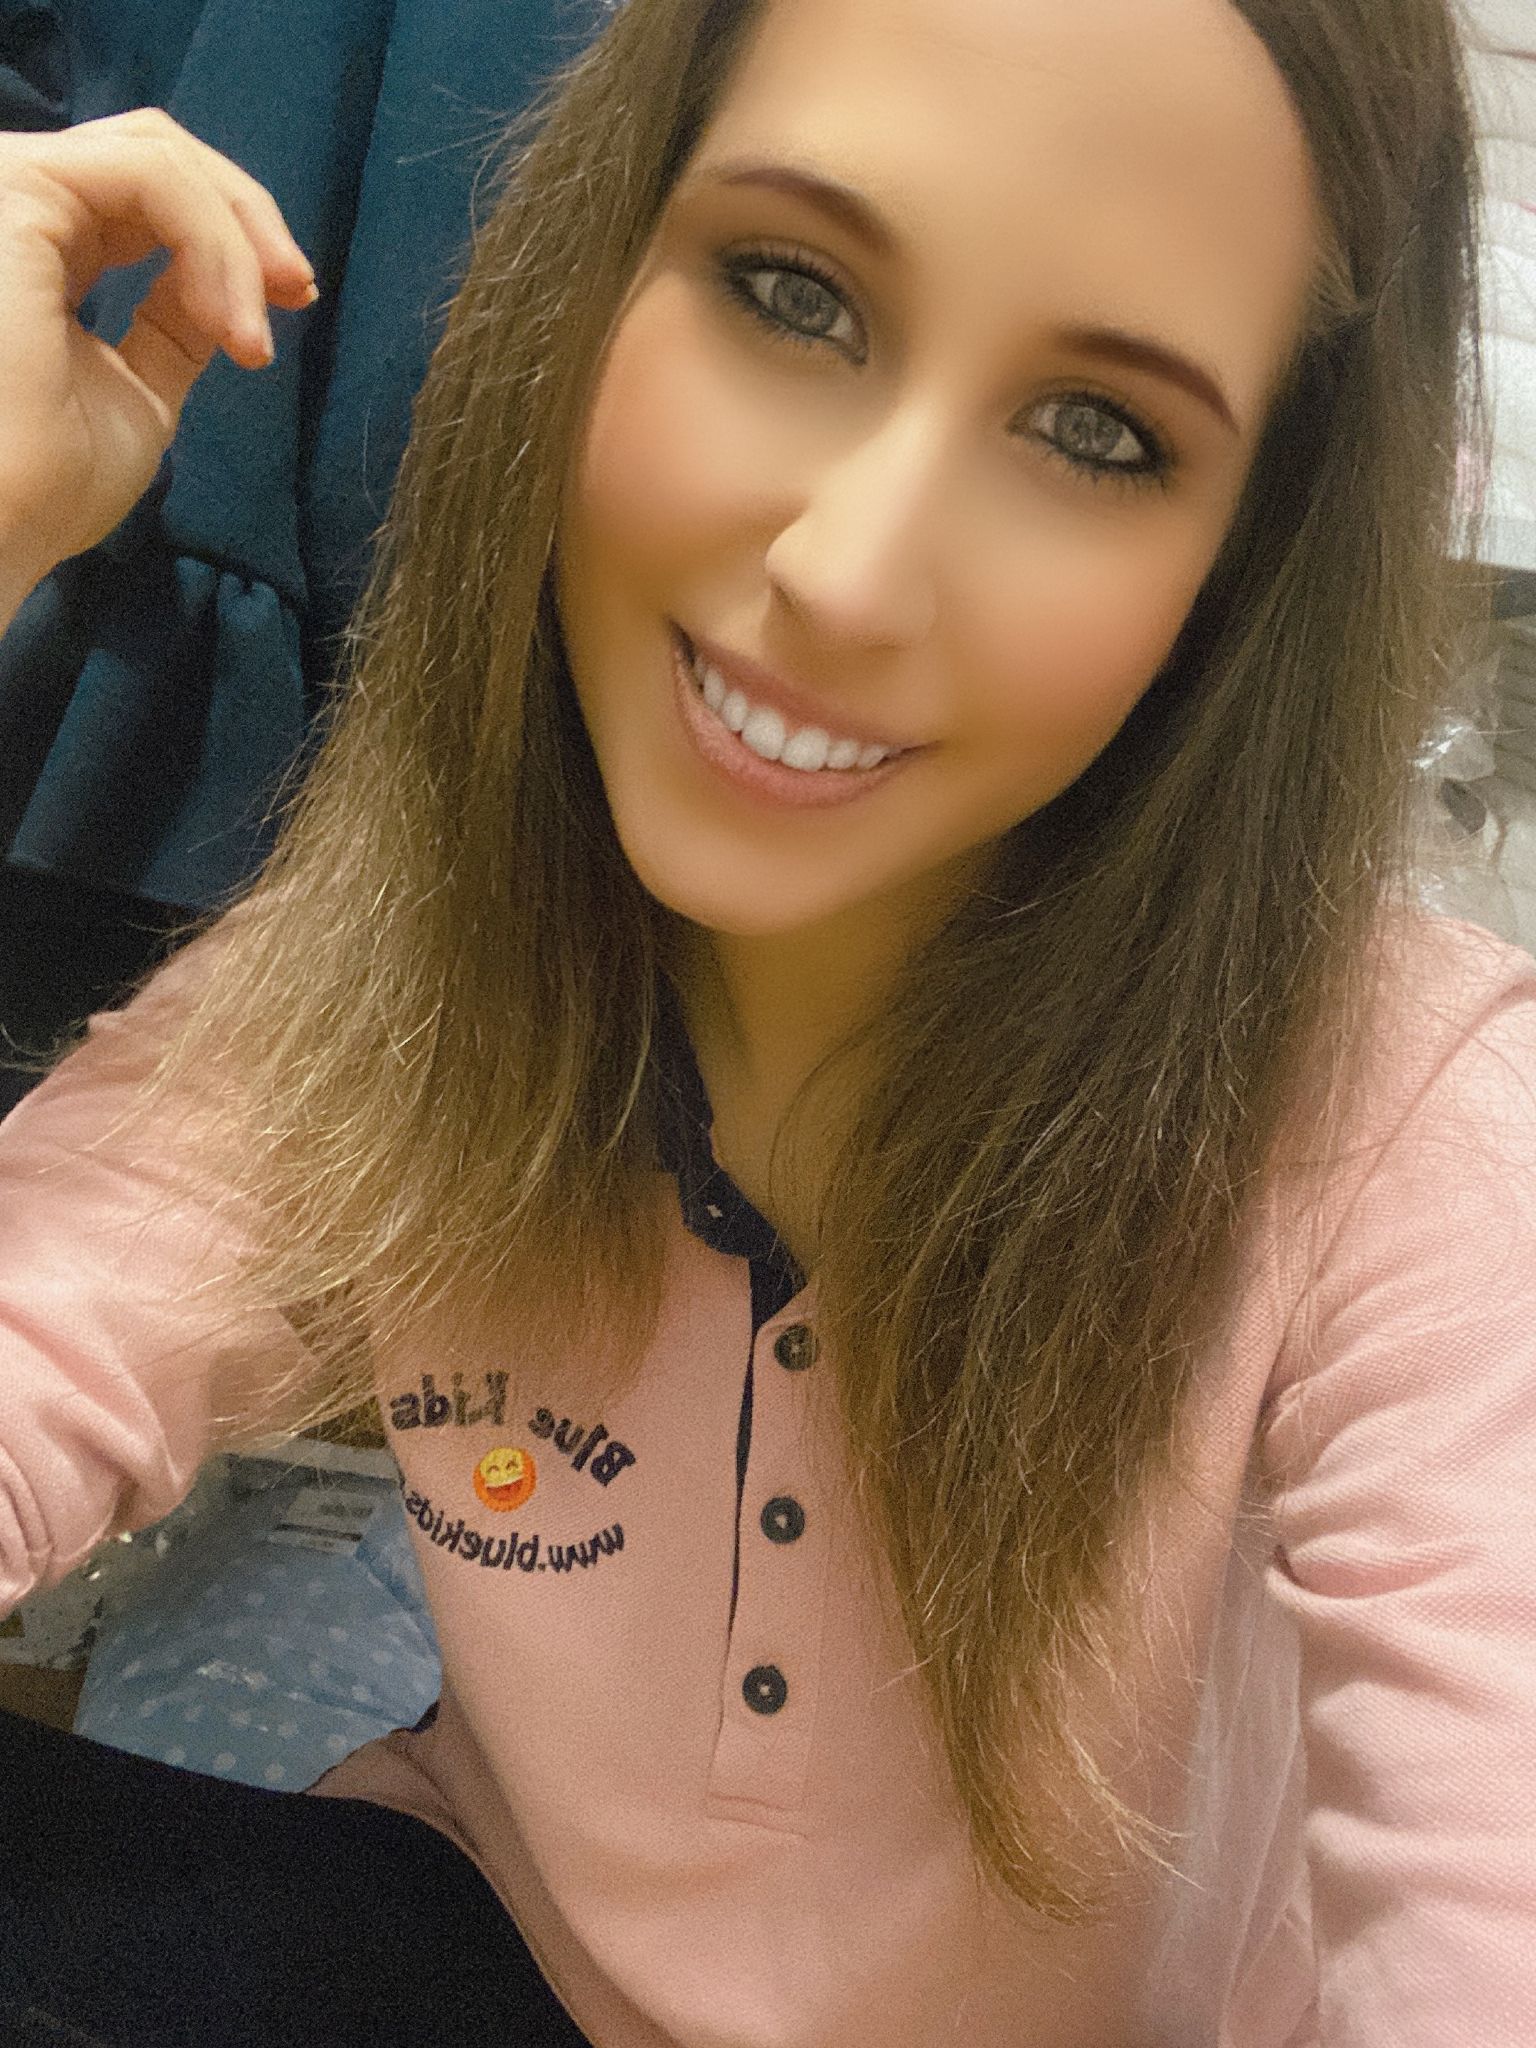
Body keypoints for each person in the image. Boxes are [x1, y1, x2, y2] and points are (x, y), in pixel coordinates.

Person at [0, 0, 1530, 2043]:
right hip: (493, 1963)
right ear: (594, 274)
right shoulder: (410, 963)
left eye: (1098, 433)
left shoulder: (1406, 1125)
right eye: (794, 294)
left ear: (1243, 569)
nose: (849, 573)